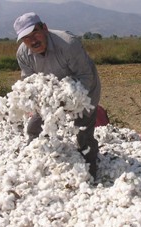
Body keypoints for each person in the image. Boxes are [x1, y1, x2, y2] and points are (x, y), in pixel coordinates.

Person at [13, 12, 101, 178]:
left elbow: (85, 77)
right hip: (49, 95)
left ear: (44, 28)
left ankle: (90, 171)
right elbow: (30, 82)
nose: (32, 41)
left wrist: (66, 100)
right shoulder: (23, 54)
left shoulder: (68, 44)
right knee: (33, 128)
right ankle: (34, 161)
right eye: (26, 38)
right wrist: (43, 102)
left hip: (83, 93)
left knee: (83, 133)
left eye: (35, 33)